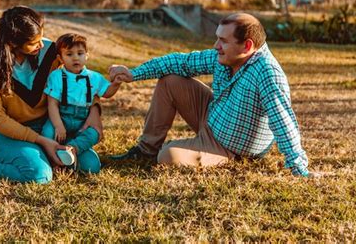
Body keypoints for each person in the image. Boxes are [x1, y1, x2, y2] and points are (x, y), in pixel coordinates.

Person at [109, 13, 311, 177]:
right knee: (169, 80)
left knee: (168, 156)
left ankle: (199, 154)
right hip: (214, 116)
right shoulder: (224, 57)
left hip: (230, 148)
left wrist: (298, 168)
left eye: (223, 40)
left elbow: (282, 120)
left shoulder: (268, 73)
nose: (216, 46)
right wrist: (134, 74)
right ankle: (145, 151)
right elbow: (181, 62)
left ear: (247, 46)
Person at [0, 6, 103, 184]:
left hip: (51, 127)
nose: (41, 45)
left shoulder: (50, 50)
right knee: (39, 175)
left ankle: (41, 155)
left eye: (41, 37)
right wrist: (42, 142)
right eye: (34, 42)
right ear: (14, 43)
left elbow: (79, 77)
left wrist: (95, 109)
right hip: (9, 132)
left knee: (90, 166)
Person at [41, 33, 122, 171]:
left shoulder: (94, 77)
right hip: (61, 117)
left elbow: (107, 92)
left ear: (87, 55)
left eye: (80, 53)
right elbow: (52, 104)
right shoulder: (56, 76)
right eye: (69, 54)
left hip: (82, 122)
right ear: (60, 58)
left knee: (94, 137)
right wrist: (58, 125)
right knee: (47, 132)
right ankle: (53, 160)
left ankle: (72, 150)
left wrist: (116, 84)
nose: (75, 58)